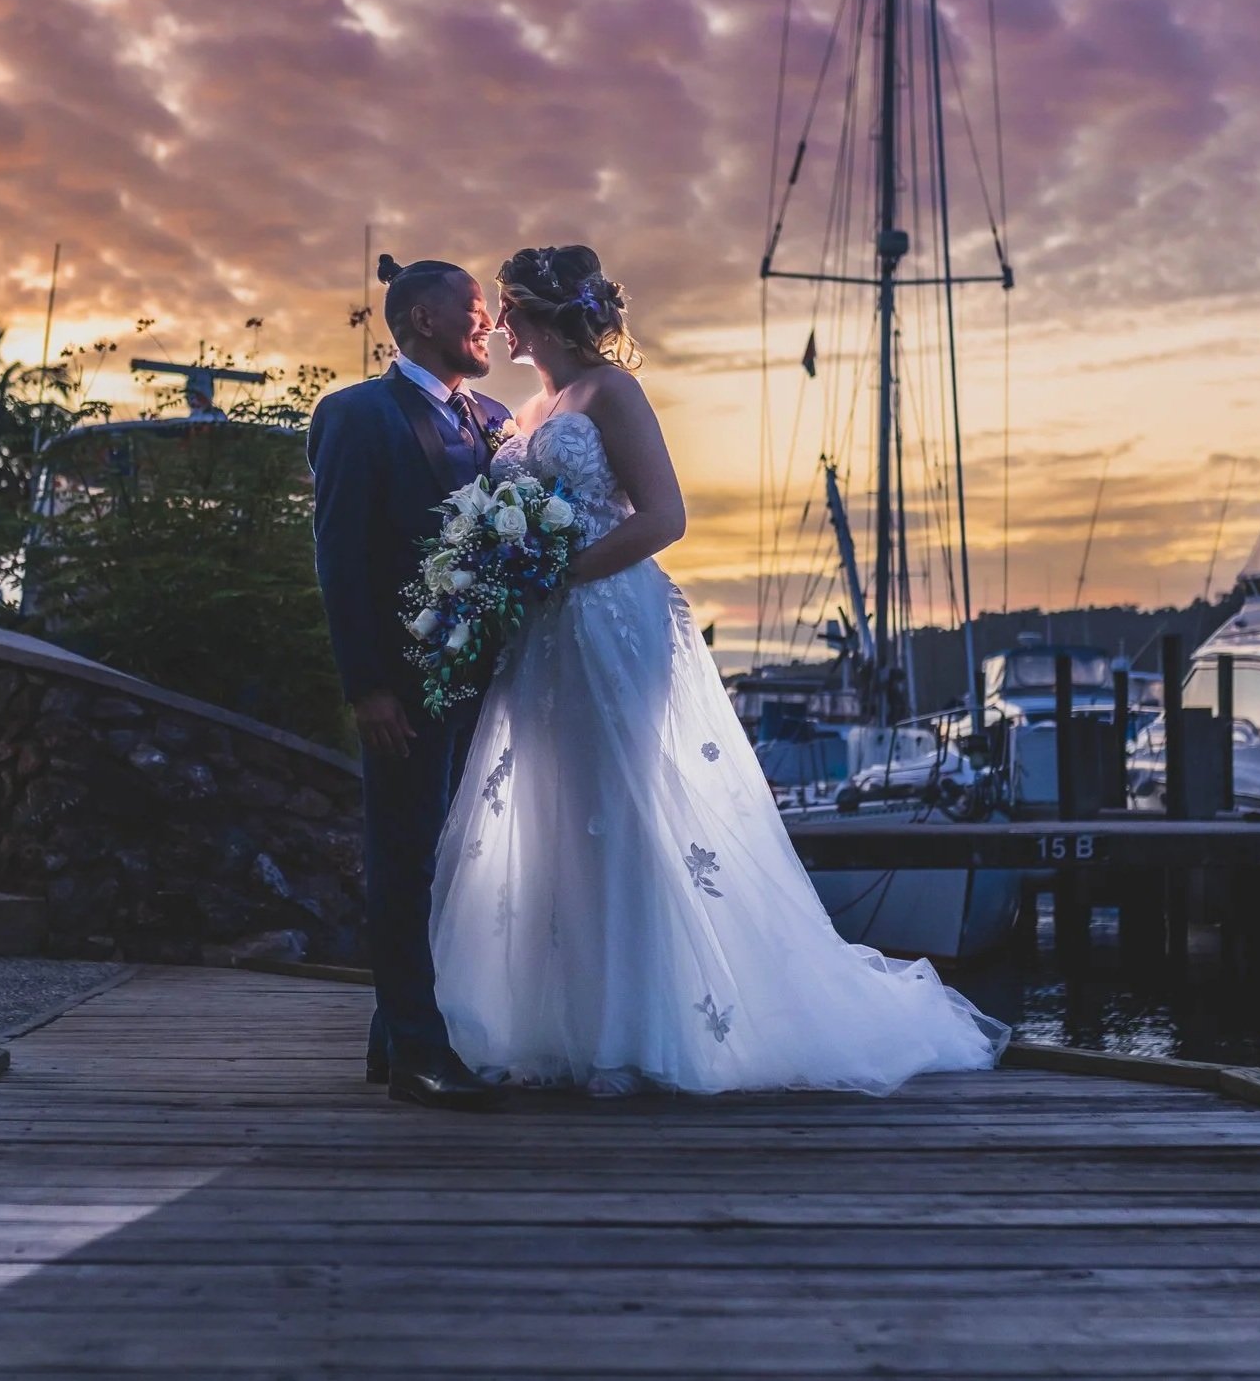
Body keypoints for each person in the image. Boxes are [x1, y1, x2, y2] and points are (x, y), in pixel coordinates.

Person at [430, 245, 1007, 1094]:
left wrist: (560, 571)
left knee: (617, 806)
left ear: (540, 313)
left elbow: (665, 517)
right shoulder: (531, 406)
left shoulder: (610, 393)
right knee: (553, 815)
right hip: (542, 635)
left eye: (506, 308)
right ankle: (566, 1021)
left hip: (609, 619)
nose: (496, 324)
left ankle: (646, 1031)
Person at [309, 253, 514, 1109]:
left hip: (493, 684)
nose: (488, 323)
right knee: (404, 858)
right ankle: (420, 1058)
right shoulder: (355, 415)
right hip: (404, 683)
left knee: (460, 859)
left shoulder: (499, 418)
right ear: (422, 319)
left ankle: (392, 1030)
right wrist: (368, 687)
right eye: (472, 308)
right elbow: (341, 559)